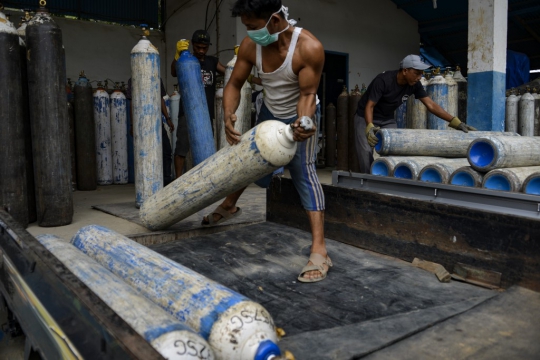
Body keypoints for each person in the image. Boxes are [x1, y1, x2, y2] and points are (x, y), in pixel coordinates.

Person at [202, 0, 329, 283]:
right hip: (270, 111)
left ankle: (320, 250)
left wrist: (303, 124)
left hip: (302, 111)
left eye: (252, 26)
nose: (248, 32)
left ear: (273, 19)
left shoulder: (309, 48)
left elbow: (307, 95)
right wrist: (228, 114)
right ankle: (230, 205)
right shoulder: (251, 46)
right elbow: (234, 83)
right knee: (251, 163)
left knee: (303, 171)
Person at [354, 54, 477, 173]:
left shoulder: (414, 85)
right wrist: (369, 126)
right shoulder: (383, 81)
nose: (420, 77)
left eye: (421, 73)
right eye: (417, 73)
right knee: (365, 150)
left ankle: (389, 178)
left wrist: (455, 122)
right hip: (365, 116)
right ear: (405, 71)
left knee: (394, 147)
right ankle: (368, 180)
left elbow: (431, 105)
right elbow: (369, 106)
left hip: (387, 118)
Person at [171, 31, 226, 177]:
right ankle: (178, 179)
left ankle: (205, 177)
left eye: (204, 47)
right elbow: (173, 72)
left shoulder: (212, 62)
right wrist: (177, 55)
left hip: (206, 112)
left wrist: (239, 62)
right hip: (187, 112)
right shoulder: (186, 61)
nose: (201, 51)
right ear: (193, 45)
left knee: (205, 146)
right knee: (182, 147)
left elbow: (228, 72)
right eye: (197, 47)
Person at [127, 78, 174, 185]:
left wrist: (167, 118)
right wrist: (132, 124)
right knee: (145, 153)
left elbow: (160, 99)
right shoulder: (133, 79)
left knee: (166, 151)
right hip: (142, 123)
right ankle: (147, 180)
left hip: (157, 122)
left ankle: (166, 180)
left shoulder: (157, 79)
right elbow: (132, 102)